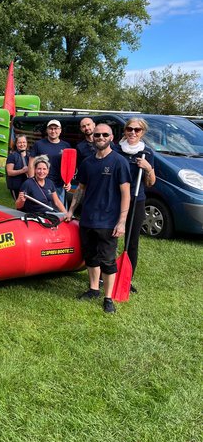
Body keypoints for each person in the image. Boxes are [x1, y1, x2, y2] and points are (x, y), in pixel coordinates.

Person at [65, 124, 131, 313]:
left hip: (108, 221)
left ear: (111, 137)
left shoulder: (119, 162)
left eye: (104, 134)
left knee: (108, 261)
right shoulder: (87, 162)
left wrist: (122, 221)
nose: (100, 137)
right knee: (91, 257)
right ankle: (94, 289)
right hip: (88, 219)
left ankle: (108, 298)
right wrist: (71, 210)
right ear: (92, 137)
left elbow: (125, 193)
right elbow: (81, 189)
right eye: (97, 135)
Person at [115, 117, 155, 292]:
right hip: (115, 199)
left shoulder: (147, 153)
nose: (132, 132)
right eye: (129, 129)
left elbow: (150, 183)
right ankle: (104, 275)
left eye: (137, 130)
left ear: (142, 132)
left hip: (136, 200)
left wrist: (148, 168)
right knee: (109, 238)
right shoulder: (115, 150)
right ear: (125, 130)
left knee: (132, 241)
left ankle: (126, 279)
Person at [28, 119, 71, 203]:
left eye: (56, 128)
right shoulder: (39, 144)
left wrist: (68, 181)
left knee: (60, 209)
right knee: (42, 208)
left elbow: (69, 166)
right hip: (42, 184)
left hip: (59, 186)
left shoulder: (66, 146)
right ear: (47, 130)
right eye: (51, 128)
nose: (53, 131)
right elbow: (31, 164)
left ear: (60, 130)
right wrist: (32, 183)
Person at [6, 134, 29, 199]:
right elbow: (9, 172)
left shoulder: (30, 155)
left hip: (28, 186)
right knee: (19, 204)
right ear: (16, 144)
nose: (22, 144)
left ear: (27, 143)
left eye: (24, 142)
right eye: (19, 142)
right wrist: (22, 171)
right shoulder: (12, 156)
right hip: (16, 186)